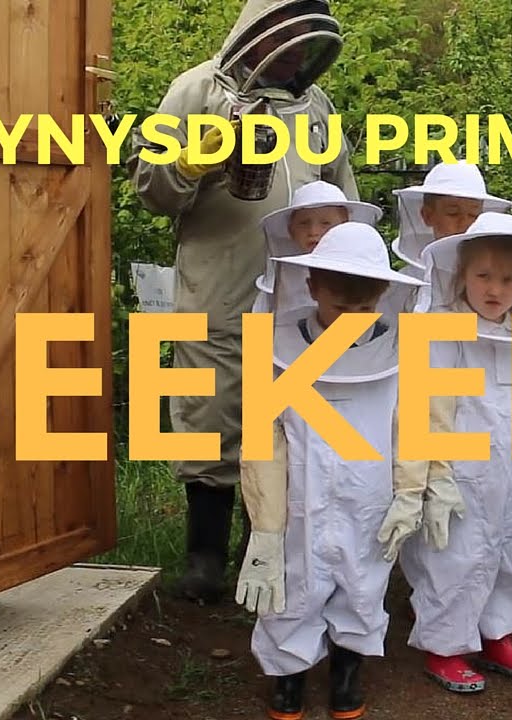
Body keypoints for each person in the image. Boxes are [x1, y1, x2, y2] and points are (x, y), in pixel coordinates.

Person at [125, 0, 359, 604]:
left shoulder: (317, 107)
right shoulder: (194, 89)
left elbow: (344, 194)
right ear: (257, 36)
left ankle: (276, 545)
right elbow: (150, 189)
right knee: (211, 409)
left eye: (305, 47)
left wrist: (354, 269)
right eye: (287, 43)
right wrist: (185, 163)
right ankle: (204, 555)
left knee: (297, 414)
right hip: (221, 280)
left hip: (300, 291)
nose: (295, 57)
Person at [233, 221, 429, 720]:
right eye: (341, 307)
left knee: (363, 588)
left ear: (383, 294)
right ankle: (288, 677)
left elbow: (410, 428)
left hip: (370, 502)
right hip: (302, 498)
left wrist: (410, 494)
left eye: (364, 310)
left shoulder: (399, 353)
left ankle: (347, 671)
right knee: (291, 589)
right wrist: (267, 527)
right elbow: (264, 441)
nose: (352, 319)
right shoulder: (277, 350)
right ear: (313, 286)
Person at [399, 212, 512, 693]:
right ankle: (446, 646)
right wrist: (436, 474)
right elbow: (427, 405)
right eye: (484, 277)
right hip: (459, 472)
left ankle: (499, 633)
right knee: (453, 558)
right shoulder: (441, 330)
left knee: (511, 553)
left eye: (508, 279)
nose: (495, 289)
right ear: (461, 277)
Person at [383, 161, 512, 316]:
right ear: (428, 215)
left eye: (473, 215)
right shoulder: (405, 283)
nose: (465, 223)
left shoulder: (502, 279)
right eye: (453, 213)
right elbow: (392, 335)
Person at [254, 180, 383, 314]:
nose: (313, 231)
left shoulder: (362, 274)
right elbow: (257, 330)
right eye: (304, 223)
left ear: (344, 225)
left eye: (325, 223)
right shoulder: (277, 280)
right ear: (291, 229)